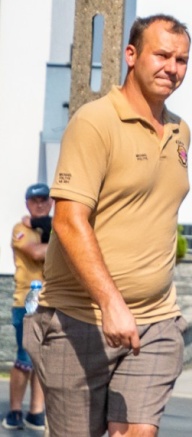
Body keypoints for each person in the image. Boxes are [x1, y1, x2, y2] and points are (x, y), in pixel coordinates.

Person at [26, 14, 192, 437]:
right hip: (80, 320)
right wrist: (112, 303)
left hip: (156, 321)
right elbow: (67, 219)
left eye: (181, 59)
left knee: (138, 432)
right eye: (162, 55)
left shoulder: (180, 131)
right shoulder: (95, 122)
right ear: (131, 56)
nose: (172, 68)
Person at [5, 183, 54, 432]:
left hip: (53, 301)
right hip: (26, 302)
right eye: (34, 200)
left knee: (43, 360)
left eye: (44, 199)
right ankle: (14, 410)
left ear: (51, 202)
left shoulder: (55, 228)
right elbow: (35, 253)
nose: (40, 203)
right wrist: (61, 243)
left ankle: (35, 412)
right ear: (27, 203)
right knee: (25, 358)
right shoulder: (20, 228)